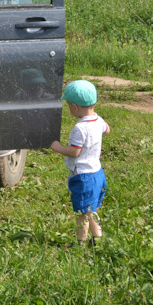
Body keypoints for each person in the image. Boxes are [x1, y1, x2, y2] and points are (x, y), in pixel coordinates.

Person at [50, 79, 110, 246]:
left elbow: (74, 152)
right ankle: (98, 239)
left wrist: (57, 147)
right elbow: (107, 129)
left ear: (74, 107)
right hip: (98, 173)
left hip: (84, 177)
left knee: (83, 213)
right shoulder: (98, 120)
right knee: (92, 209)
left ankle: (80, 243)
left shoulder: (80, 128)